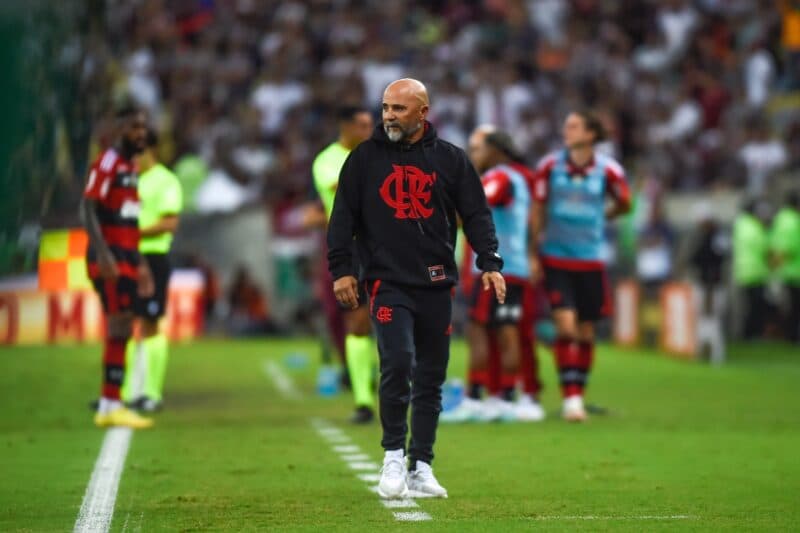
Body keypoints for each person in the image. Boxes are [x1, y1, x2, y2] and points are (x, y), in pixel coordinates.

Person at [327, 79, 505, 499]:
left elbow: (476, 215)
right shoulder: (363, 159)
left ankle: (420, 464)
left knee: (430, 377)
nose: (388, 115)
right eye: (386, 107)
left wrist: (490, 263)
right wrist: (342, 271)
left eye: (398, 109)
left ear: (422, 113)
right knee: (398, 363)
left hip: (437, 283)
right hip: (387, 282)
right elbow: (342, 221)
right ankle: (391, 456)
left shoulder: (451, 160)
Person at [531, 110, 631, 422]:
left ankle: (579, 392)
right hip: (556, 258)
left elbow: (625, 202)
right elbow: (538, 209)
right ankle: (571, 399)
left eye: (573, 126)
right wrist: (534, 252)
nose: (567, 130)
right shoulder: (549, 166)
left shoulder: (609, 170)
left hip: (590, 261)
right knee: (566, 326)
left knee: (586, 333)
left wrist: (605, 216)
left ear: (590, 134)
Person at [443, 125, 544, 423]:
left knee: (482, 328)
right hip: (513, 268)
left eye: (479, 149)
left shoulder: (499, 177)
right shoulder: (515, 178)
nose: (475, 155)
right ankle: (504, 398)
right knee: (504, 329)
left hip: (500, 269)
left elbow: (470, 211)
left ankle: (476, 399)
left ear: (496, 150)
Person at [82, 105, 154, 429]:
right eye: (134, 127)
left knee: (124, 324)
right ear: (119, 129)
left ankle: (112, 402)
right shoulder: (108, 162)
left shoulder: (131, 166)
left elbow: (129, 218)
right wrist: (103, 254)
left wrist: (140, 264)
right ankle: (109, 404)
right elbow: (87, 207)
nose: (141, 133)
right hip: (109, 257)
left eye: (143, 127)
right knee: (118, 324)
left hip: (126, 257)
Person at [307, 106, 376, 423]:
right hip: (351, 245)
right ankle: (363, 399)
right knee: (357, 321)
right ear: (345, 126)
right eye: (361, 125)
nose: (367, 130)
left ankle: (407, 386)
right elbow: (345, 190)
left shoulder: (377, 154)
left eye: (369, 125)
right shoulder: (328, 160)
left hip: (389, 244)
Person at [121, 128, 183, 412]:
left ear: (153, 151)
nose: (137, 157)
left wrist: (133, 233)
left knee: (150, 322)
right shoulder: (129, 179)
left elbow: (169, 222)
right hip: (127, 257)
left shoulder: (166, 181)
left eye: (141, 151)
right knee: (128, 322)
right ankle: (127, 391)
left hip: (153, 257)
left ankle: (151, 392)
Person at [732, 199, 771, 340]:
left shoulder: (740, 225)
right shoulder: (754, 227)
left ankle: (747, 334)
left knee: (749, 307)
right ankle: (752, 334)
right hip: (755, 271)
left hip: (743, 271)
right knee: (756, 307)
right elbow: (765, 247)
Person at [770, 191, 800, 342]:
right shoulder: (794, 220)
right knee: (795, 307)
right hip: (795, 270)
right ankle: (792, 337)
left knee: (788, 306)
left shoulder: (779, 219)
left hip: (781, 269)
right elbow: (792, 246)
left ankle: (788, 335)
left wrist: (775, 264)